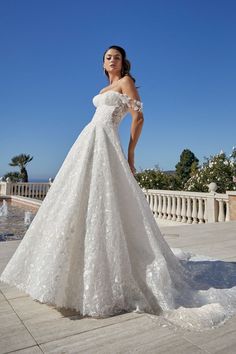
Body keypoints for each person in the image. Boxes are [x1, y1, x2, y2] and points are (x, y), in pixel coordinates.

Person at [1, 45, 236, 330]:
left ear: (124, 63)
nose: (112, 60)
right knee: (80, 202)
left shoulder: (126, 83)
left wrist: (131, 153)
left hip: (106, 142)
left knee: (109, 203)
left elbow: (139, 117)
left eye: (117, 57)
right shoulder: (104, 88)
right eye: (108, 57)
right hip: (88, 141)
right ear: (103, 64)